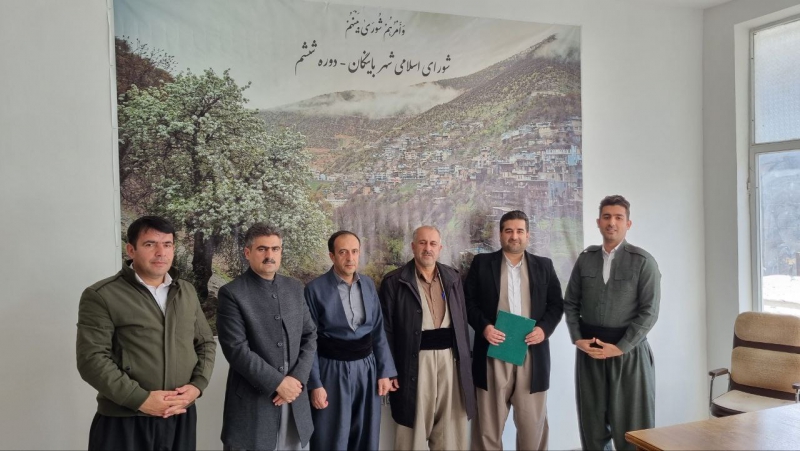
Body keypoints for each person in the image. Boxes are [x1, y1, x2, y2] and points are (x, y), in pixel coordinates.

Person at [76, 215, 216, 451]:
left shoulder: (187, 291)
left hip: (179, 416)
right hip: (125, 420)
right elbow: (92, 360)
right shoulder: (101, 295)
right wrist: (140, 400)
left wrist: (197, 386)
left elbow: (205, 343)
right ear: (131, 250)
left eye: (168, 244)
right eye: (150, 244)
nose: (161, 252)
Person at [564, 195, 661, 451]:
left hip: (628, 356)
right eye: (606, 217)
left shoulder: (643, 262)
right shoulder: (585, 259)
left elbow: (649, 312)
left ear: (628, 224)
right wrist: (577, 339)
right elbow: (571, 303)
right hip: (591, 354)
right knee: (593, 428)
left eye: (618, 217)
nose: (612, 223)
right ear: (598, 222)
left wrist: (620, 348)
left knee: (634, 430)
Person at [465, 210, 564, 451]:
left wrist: (544, 330)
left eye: (520, 231)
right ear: (500, 234)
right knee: (487, 428)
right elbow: (468, 302)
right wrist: (485, 327)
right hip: (493, 352)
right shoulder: (481, 264)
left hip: (532, 353)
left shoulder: (544, 266)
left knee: (532, 428)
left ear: (528, 235)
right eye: (509, 231)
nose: (514, 236)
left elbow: (556, 305)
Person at [217, 223, 317, 450]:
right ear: (247, 252)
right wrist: (278, 383)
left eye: (275, 249)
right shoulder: (231, 293)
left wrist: (297, 380)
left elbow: (310, 335)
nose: (269, 255)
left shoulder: (295, 287)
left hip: (295, 399)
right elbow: (236, 349)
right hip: (254, 404)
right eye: (262, 249)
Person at [379, 225, 476, 450]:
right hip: (413, 363)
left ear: (440, 248)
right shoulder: (394, 281)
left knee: (450, 432)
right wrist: (389, 369)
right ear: (413, 247)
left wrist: (464, 366)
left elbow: (461, 323)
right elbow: (385, 330)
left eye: (433, 244)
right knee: (412, 431)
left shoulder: (453, 277)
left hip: (450, 362)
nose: (427, 248)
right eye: (422, 243)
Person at [304, 230, 397, 450]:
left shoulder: (368, 285)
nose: (350, 258)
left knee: (365, 433)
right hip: (331, 370)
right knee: (331, 435)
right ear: (332, 256)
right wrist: (315, 384)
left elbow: (378, 330)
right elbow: (308, 341)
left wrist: (385, 372)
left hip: (367, 369)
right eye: (343, 252)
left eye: (354, 252)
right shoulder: (314, 289)